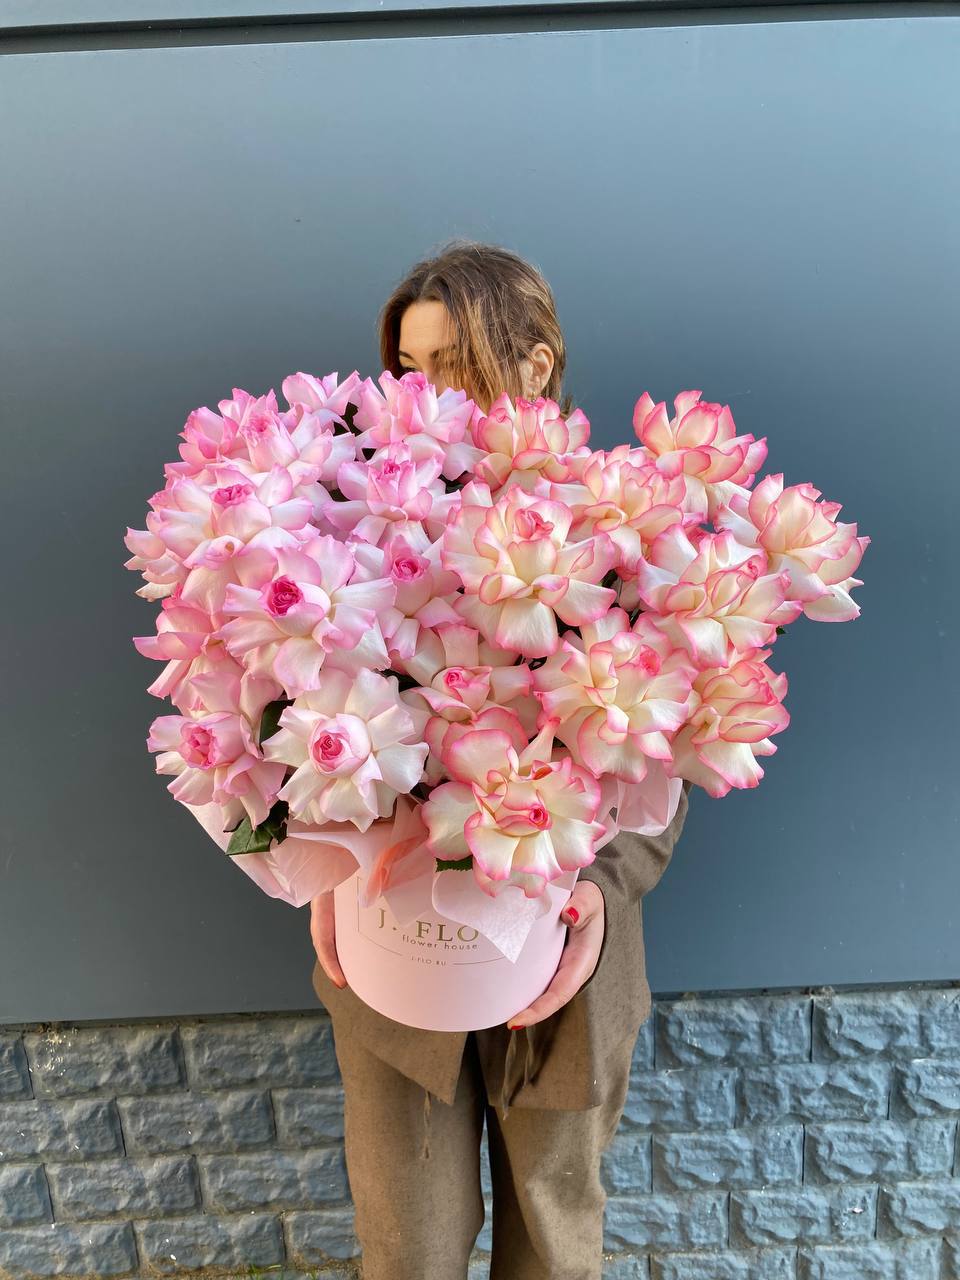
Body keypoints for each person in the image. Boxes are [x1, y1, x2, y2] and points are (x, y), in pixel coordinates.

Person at [309, 238, 692, 1280]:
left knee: (554, 1244)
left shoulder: (617, 525)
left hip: (563, 952)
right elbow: (300, 720)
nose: (424, 396)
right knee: (408, 1246)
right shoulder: (353, 521)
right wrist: (322, 867)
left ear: (536, 364)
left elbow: (670, 751)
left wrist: (605, 888)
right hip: (395, 943)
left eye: (453, 367)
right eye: (407, 370)